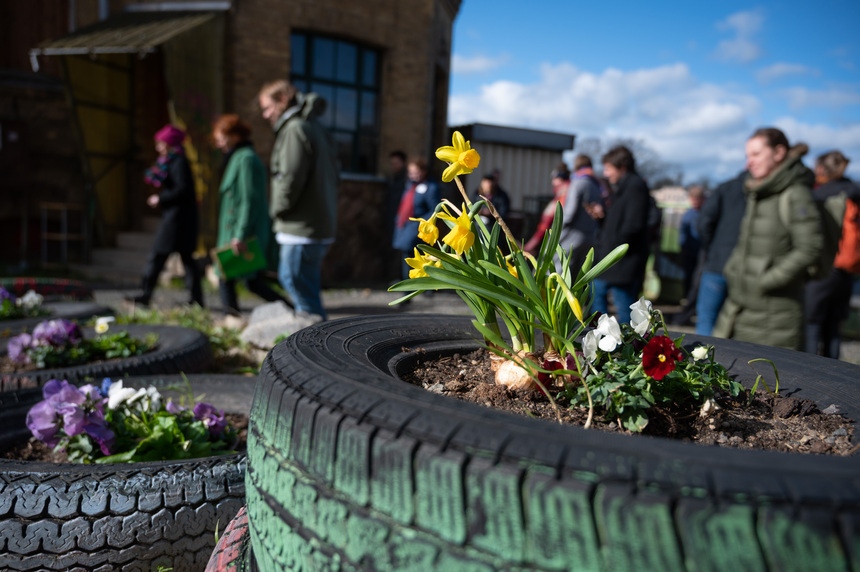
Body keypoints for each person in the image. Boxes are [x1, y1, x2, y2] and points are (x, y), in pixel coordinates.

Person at [713, 128, 822, 350]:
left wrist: (766, 281)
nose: (748, 163)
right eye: (747, 156)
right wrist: (733, 269)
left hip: (775, 318)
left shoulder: (795, 193)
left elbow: (810, 248)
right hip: (740, 309)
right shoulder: (761, 190)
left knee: (768, 382)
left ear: (779, 152)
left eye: (756, 154)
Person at [258, 80, 339, 319]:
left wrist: (276, 211)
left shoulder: (294, 129)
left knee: (296, 284)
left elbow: (289, 179)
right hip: (316, 224)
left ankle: (315, 349)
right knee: (305, 286)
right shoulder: (314, 127)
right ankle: (317, 343)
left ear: (283, 99)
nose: (265, 115)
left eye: (267, 107)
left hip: (300, 228)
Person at [211, 114, 291, 315]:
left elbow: (249, 200)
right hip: (235, 229)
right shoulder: (237, 157)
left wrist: (240, 233)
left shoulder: (245, 159)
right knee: (248, 280)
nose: (218, 142)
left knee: (234, 277)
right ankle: (290, 310)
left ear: (235, 136)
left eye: (221, 137)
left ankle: (232, 318)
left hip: (240, 232)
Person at [127, 124, 203, 307]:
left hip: (177, 221)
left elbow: (182, 190)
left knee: (158, 256)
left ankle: (146, 294)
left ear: (169, 143)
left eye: (161, 143)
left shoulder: (178, 163)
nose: (158, 147)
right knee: (186, 261)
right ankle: (196, 300)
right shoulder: (173, 161)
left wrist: (160, 198)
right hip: (180, 220)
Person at [804, 150, 860, 357]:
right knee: (834, 328)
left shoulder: (820, 195)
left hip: (825, 267)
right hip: (849, 269)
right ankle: (833, 375)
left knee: (811, 323)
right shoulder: (854, 192)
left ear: (821, 169)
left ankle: (809, 372)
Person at [590, 145, 652, 324]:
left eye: (608, 168)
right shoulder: (626, 187)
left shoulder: (635, 186)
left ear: (621, 166)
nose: (606, 173)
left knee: (624, 309)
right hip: (615, 259)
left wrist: (614, 246)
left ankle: (626, 345)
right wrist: (603, 218)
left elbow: (633, 225)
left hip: (622, 262)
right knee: (599, 296)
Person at [694, 171, 747, 335]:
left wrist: (713, 247)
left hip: (717, 262)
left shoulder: (726, 189)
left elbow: (704, 223)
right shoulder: (765, 192)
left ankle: (704, 359)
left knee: (706, 318)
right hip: (745, 267)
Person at [392, 158, 441, 280]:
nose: (412, 175)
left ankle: (410, 290)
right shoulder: (410, 186)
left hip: (417, 229)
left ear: (424, 171)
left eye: (416, 172)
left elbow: (435, 210)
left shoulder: (431, 187)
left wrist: (421, 223)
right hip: (404, 226)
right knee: (407, 256)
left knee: (415, 257)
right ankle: (411, 287)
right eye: (410, 172)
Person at [559, 154, 603, 274]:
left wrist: (557, 228)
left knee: (562, 270)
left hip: (572, 235)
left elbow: (569, 213)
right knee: (579, 275)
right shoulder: (596, 184)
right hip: (589, 237)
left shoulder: (577, 182)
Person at [524, 163, 571, 255]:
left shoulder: (563, 196)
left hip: (561, 240)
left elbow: (545, 224)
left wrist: (531, 245)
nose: (552, 183)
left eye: (554, 179)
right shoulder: (570, 191)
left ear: (559, 179)